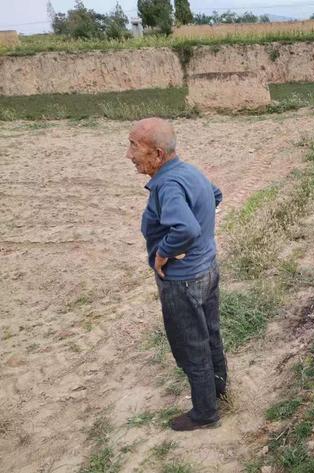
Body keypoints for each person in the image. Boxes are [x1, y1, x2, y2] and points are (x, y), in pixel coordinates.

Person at [126, 117, 228, 431]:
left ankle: (205, 412)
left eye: (134, 146)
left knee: (190, 345)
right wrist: (200, 241)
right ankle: (219, 391)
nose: (129, 155)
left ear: (157, 154)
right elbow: (216, 196)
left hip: (184, 281)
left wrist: (164, 252)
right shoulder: (188, 171)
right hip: (207, 269)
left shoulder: (167, 184)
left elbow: (185, 227)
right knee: (210, 335)